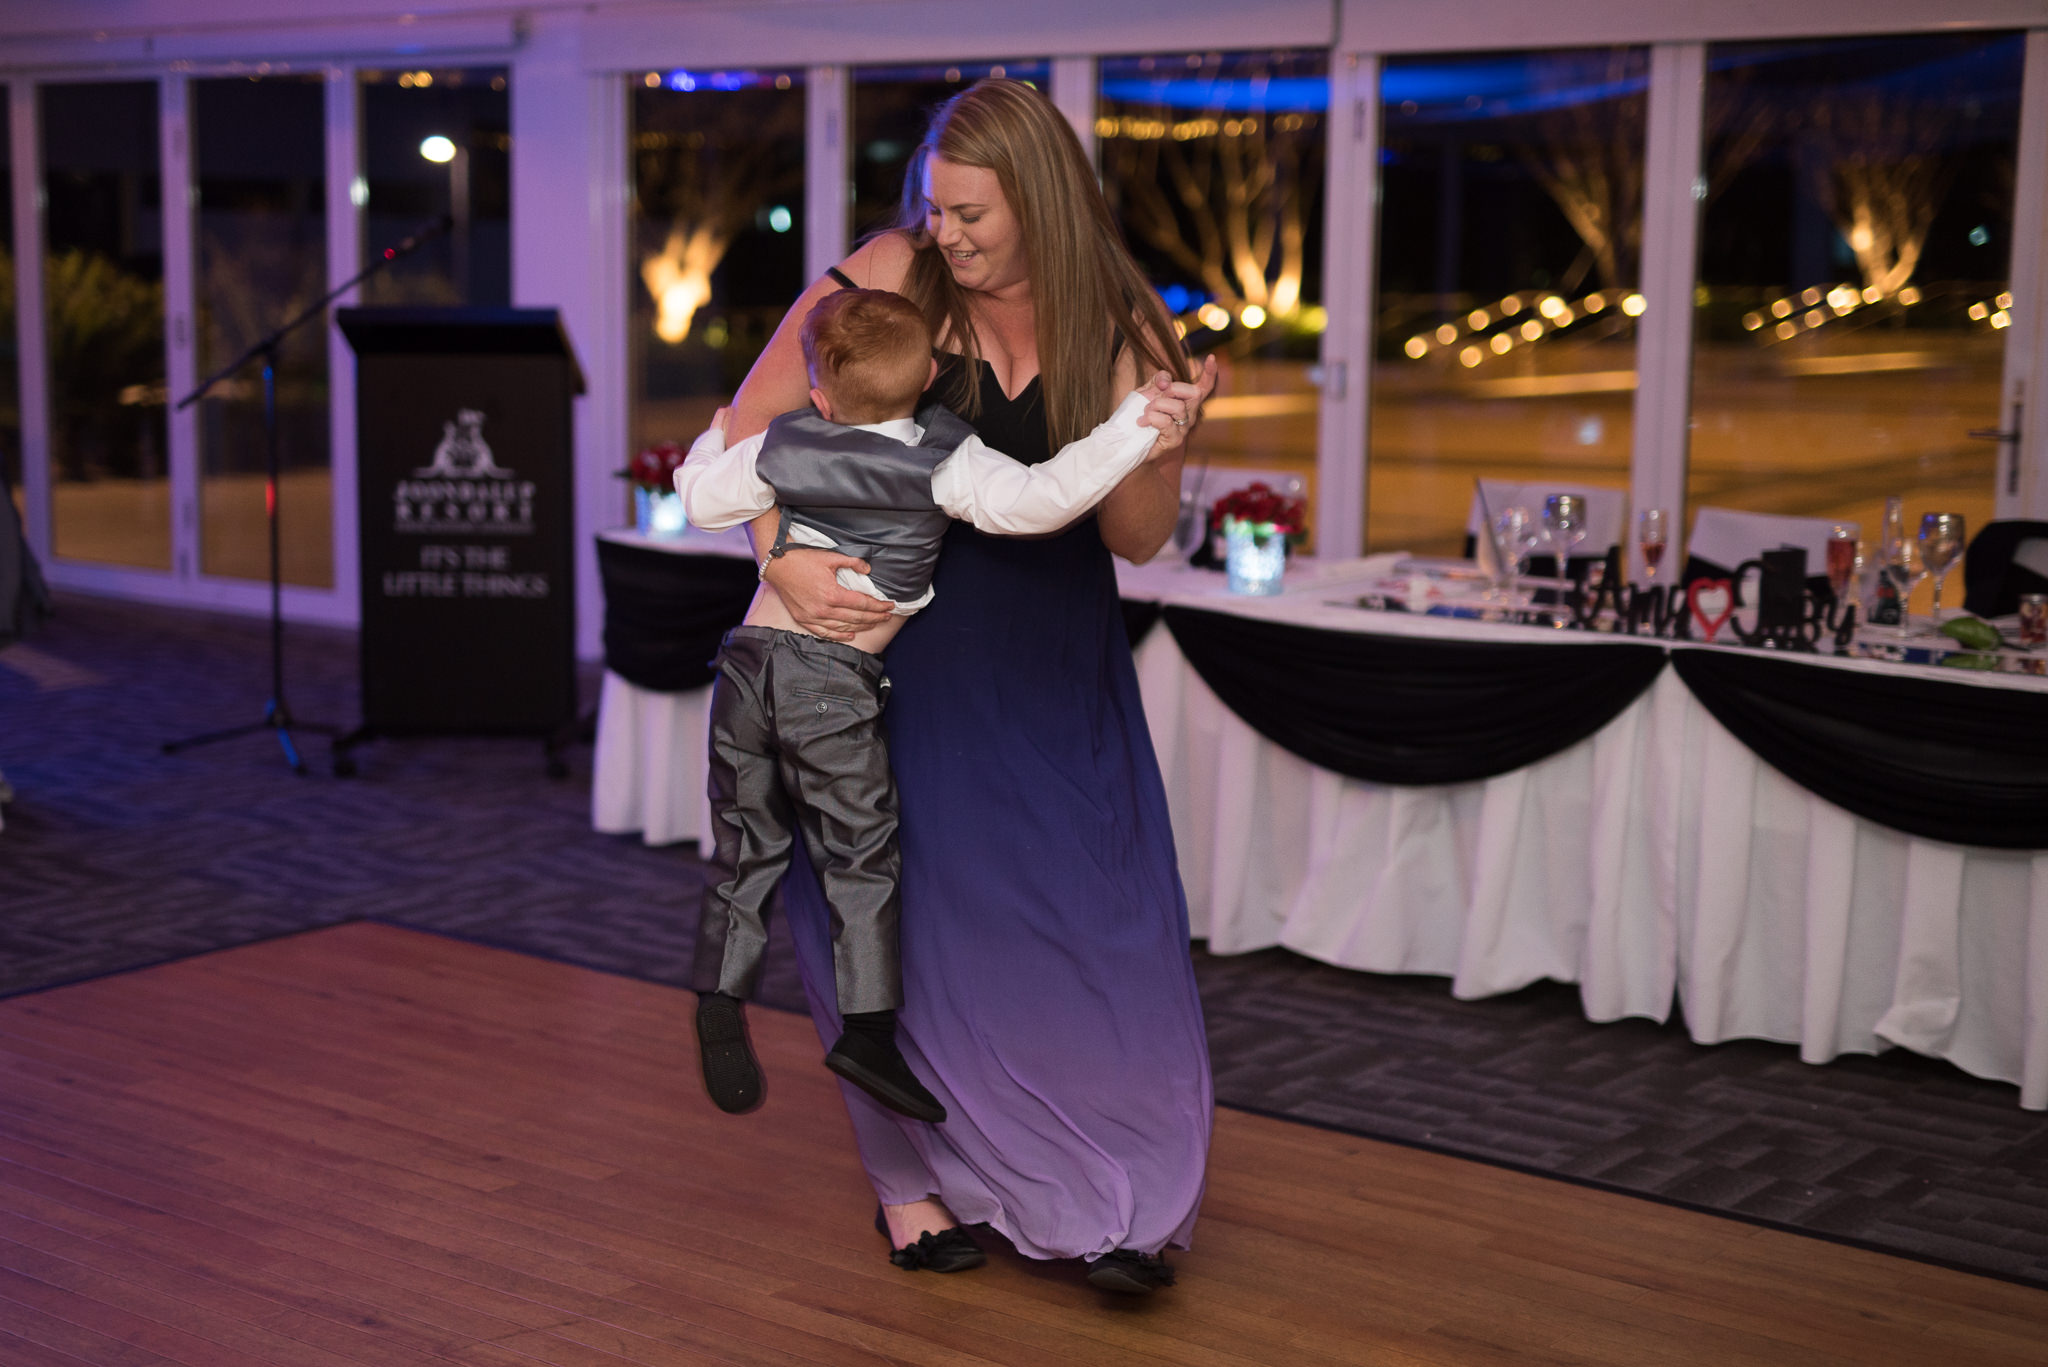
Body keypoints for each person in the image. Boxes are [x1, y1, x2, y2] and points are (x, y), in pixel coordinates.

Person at [718, 77, 1218, 1294]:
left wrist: (1164, 439)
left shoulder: (1118, 312)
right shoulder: (885, 271)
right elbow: (747, 436)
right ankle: (908, 1189)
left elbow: (1136, 538)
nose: (948, 233)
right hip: (896, 653)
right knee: (886, 920)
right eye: (937, 206)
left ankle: (1109, 1188)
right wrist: (786, 556)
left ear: (1040, 199)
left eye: (975, 214)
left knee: (1093, 920)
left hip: (1051, 658)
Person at [676, 287, 1181, 1130]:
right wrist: (1134, 419)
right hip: (829, 687)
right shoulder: (943, 459)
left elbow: (698, 496)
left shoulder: (779, 443)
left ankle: (720, 994)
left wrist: (714, 430)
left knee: (746, 847)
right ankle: (868, 1033)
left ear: (823, 395)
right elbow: (1044, 498)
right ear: (935, 376)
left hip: (746, 668)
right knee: (859, 858)